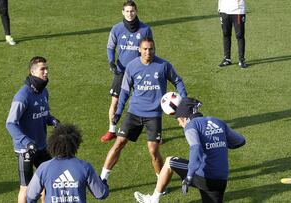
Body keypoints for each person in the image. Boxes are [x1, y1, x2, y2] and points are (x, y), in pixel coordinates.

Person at [100, 37, 188, 185]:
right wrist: (119, 111)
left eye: (151, 49)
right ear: (139, 50)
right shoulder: (132, 66)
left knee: (153, 150)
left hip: (153, 115)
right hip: (134, 112)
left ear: (154, 49)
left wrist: (184, 102)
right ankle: (102, 179)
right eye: (145, 49)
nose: (148, 52)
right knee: (119, 142)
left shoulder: (163, 65)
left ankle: (161, 183)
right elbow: (125, 91)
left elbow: (177, 81)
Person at [134, 97, 246, 203]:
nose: (179, 123)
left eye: (178, 120)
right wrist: (218, 144)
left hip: (204, 177)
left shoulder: (191, 126)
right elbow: (240, 141)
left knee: (170, 161)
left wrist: (189, 176)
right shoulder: (217, 121)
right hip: (221, 179)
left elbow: (195, 147)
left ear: (184, 117)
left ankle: (153, 199)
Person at [6, 56, 59, 203]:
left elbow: (44, 114)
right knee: (26, 187)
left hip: (41, 147)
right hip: (25, 150)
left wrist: (52, 120)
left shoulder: (44, 92)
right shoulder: (22, 96)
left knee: (48, 181)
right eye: (43, 69)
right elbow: (10, 123)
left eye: (47, 68)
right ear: (32, 71)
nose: (46, 72)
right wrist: (26, 142)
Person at [100, 0, 153, 142]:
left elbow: (150, 48)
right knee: (115, 102)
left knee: (143, 102)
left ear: (136, 11)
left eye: (132, 11)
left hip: (139, 72)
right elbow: (110, 47)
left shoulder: (145, 29)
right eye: (127, 11)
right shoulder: (116, 29)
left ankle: (153, 133)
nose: (130, 14)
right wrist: (111, 62)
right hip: (121, 71)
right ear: (123, 12)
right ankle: (111, 130)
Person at [27, 124, 109, 203]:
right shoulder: (85, 167)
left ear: (53, 145)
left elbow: (30, 196)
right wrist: (104, 182)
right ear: (75, 144)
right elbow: (101, 194)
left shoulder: (44, 168)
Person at [217, 0, 247, 68]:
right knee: (226, 34)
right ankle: (227, 59)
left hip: (238, 11)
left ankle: (241, 60)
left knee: (240, 35)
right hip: (223, 10)